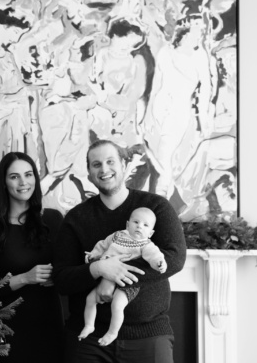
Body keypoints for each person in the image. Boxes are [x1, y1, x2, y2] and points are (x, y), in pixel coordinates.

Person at [53, 139, 186, 363]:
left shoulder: (156, 207)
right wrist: (99, 268)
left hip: (149, 335)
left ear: (124, 165)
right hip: (89, 340)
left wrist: (116, 276)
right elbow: (62, 279)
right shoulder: (76, 218)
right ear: (89, 172)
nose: (104, 169)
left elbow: (175, 258)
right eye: (96, 164)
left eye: (110, 161)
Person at [0, 151, 64, 362]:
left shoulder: (53, 219)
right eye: (14, 176)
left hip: (49, 321)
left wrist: (58, 276)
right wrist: (25, 278)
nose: (24, 182)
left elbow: (68, 268)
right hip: (8, 327)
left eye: (29, 174)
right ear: (4, 183)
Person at [79, 207, 167, 346]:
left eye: (145, 225)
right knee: (90, 299)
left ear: (150, 233)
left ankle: (112, 333)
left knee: (117, 304)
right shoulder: (117, 235)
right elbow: (102, 245)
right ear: (127, 224)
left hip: (126, 281)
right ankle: (89, 325)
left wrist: (159, 264)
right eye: (135, 222)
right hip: (106, 274)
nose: (139, 226)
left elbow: (154, 256)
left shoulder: (145, 244)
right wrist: (94, 255)